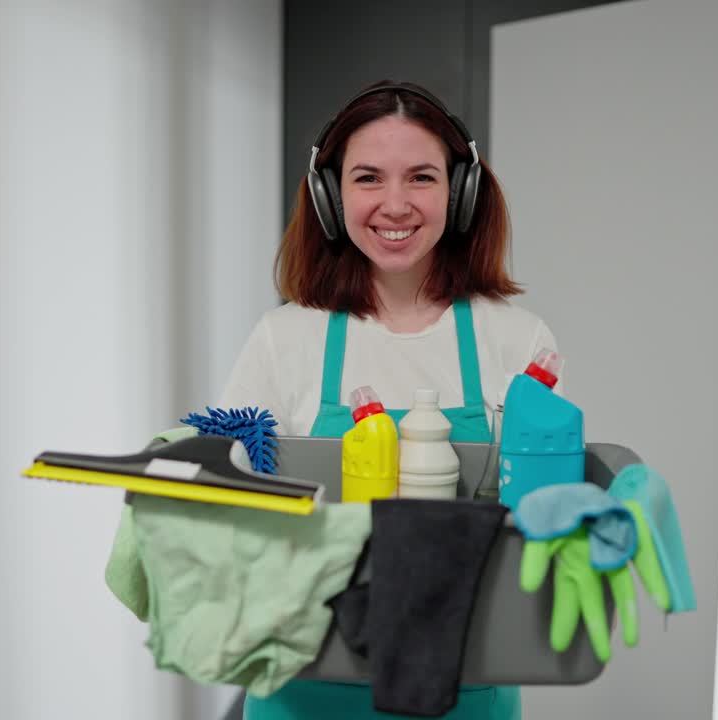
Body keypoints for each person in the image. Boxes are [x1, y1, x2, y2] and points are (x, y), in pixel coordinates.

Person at [219, 80, 561, 720]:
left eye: (423, 177)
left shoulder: (517, 340)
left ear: (459, 194)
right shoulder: (285, 336)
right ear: (330, 195)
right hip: (303, 681)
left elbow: (542, 518)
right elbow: (235, 509)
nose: (395, 204)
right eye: (368, 177)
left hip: (465, 684)